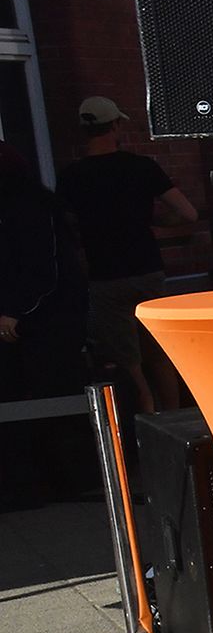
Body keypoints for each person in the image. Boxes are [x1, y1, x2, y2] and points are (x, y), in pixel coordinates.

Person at [57, 96, 198, 413]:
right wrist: (155, 221)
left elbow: (68, 227)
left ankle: (146, 421)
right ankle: (172, 419)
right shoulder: (142, 167)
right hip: (147, 267)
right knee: (158, 351)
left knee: (127, 360)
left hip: (105, 275)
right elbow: (187, 214)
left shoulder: (71, 176)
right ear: (116, 125)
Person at [0, 142, 91, 508]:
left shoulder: (30, 208)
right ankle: (35, 479)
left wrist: (17, 311)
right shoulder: (30, 205)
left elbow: (44, 268)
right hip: (28, 317)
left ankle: (58, 478)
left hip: (43, 321)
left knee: (48, 396)